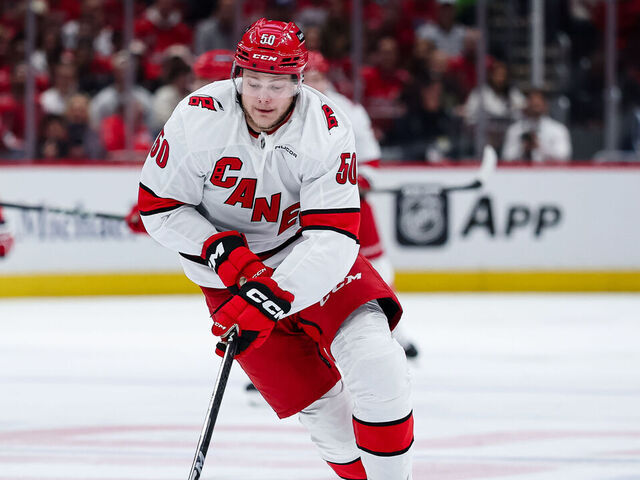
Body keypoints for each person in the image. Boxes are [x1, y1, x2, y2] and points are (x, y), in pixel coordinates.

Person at [138, 19, 414, 479]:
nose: (264, 96)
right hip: (225, 280)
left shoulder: (325, 127)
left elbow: (334, 237)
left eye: (278, 83)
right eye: (254, 82)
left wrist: (272, 294)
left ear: (298, 81)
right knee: (329, 422)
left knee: (378, 364)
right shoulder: (196, 117)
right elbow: (159, 208)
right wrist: (219, 249)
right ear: (237, 76)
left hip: (307, 256)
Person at [305, 50, 419, 358]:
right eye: (305, 77)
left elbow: (370, 156)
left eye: (316, 76)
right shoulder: (288, 109)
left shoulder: (349, 110)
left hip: (349, 201)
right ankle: (301, 345)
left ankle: (396, 331)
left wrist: (361, 181)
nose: (312, 83)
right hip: (302, 205)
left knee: (377, 264)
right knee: (305, 268)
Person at [502, 88, 572, 163]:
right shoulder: (515, 130)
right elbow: (506, 157)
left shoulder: (558, 129)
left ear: (545, 105)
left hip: (549, 172)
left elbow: (564, 156)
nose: (534, 108)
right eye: (532, 105)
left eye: (537, 105)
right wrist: (522, 148)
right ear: (526, 105)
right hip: (521, 172)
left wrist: (539, 146)